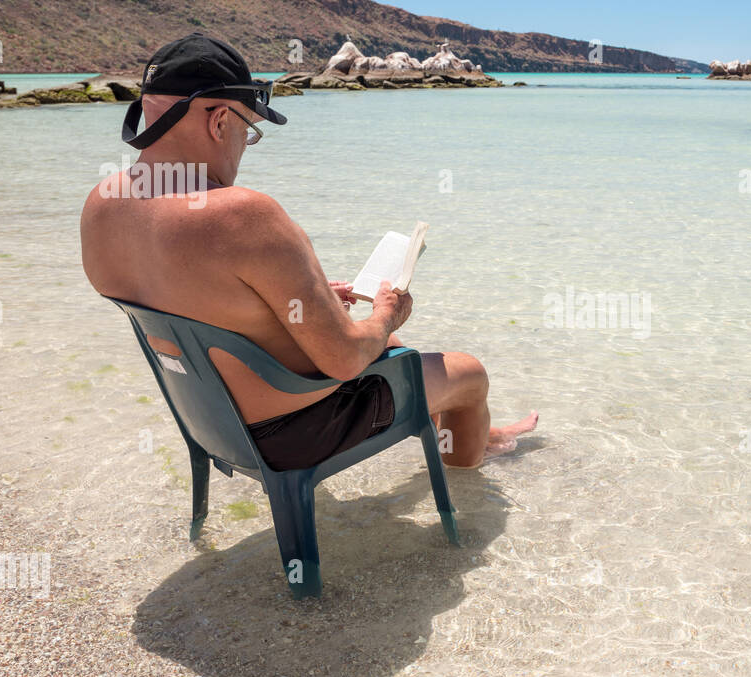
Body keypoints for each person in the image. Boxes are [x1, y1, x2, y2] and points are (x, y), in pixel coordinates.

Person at [80, 33, 536, 470]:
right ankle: (468, 470)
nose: (246, 145)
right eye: (249, 131)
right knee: (469, 373)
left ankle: (476, 432)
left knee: (395, 348)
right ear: (219, 121)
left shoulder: (102, 204)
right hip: (291, 433)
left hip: (209, 418)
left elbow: (196, 300)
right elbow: (345, 360)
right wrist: (386, 313)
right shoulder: (242, 214)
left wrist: (295, 303)